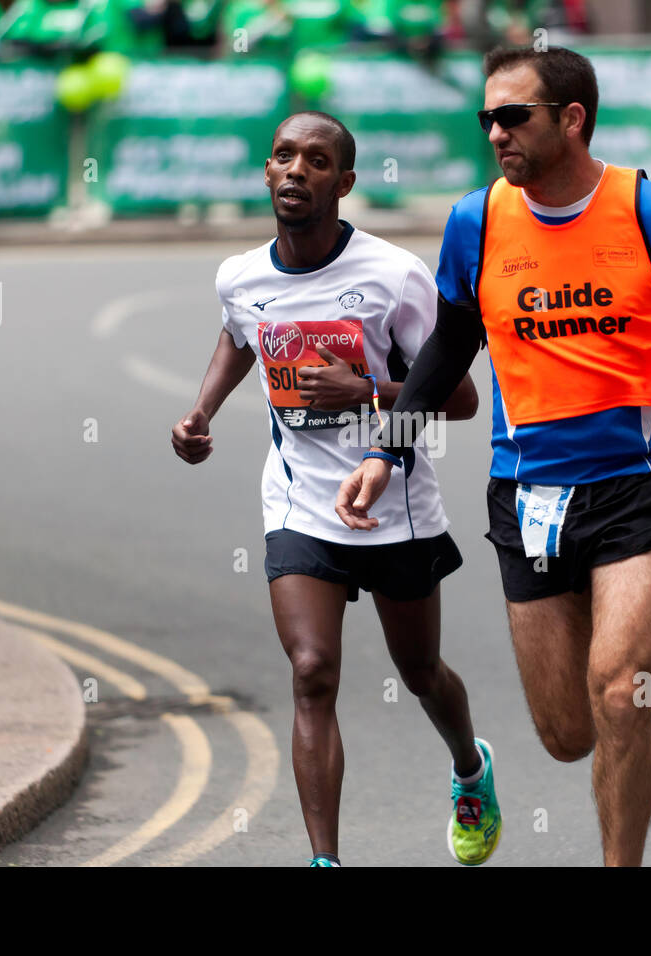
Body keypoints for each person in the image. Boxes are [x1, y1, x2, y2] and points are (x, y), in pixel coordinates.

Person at [336, 46, 651, 866]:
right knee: (569, 733)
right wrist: (386, 454)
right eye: (487, 117)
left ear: (572, 119)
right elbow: (444, 352)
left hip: (642, 486)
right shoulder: (477, 222)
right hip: (527, 493)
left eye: (514, 116)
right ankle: (625, 716)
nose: (496, 132)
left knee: (615, 685)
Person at [171, 111, 502, 867]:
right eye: (284, 156)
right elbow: (237, 332)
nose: (297, 171)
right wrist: (201, 412)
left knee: (420, 672)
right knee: (313, 671)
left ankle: (469, 766)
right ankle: (325, 861)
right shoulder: (241, 275)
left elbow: (458, 400)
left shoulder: (393, 276)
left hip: (396, 508)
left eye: (317, 161)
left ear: (345, 183)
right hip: (299, 503)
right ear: (266, 172)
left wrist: (367, 392)